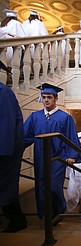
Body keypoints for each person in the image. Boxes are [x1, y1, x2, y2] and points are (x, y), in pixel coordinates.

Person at [24, 83, 81, 219]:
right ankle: (45, 215)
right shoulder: (35, 117)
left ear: (55, 99)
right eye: (44, 97)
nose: (46, 100)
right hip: (40, 157)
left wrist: (72, 155)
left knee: (54, 187)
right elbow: (25, 136)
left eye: (49, 97)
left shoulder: (64, 117)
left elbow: (71, 137)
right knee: (41, 186)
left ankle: (58, 211)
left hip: (58, 158)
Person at [0, 61, 27, 232]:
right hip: (5, 148)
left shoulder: (3, 93)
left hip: (5, 151)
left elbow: (6, 124)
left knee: (5, 186)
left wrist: (4, 152)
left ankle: (17, 220)